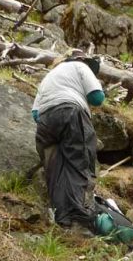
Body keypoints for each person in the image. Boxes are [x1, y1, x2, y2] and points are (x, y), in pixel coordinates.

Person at [32, 51, 107, 234]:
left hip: (45, 124)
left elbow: (35, 114)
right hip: (71, 113)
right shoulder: (81, 66)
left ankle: (61, 218)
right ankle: (79, 221)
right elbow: (97, 98)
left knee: (55, 170)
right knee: (78, 166)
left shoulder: (49, 76)